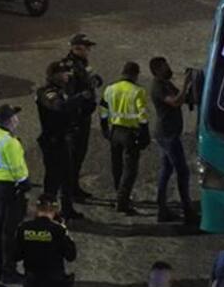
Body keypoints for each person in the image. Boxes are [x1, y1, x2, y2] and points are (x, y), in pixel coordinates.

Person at [35, 60, 89, 221]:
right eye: (65, 73)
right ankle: (46, 213)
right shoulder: (47, 92)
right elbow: (60, 106)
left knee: (67, 177)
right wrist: (80, 97)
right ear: (55, 75)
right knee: (52, 179)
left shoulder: (61, 90)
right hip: (53, 141)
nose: (68, 76)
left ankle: (67, 209)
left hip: (63, 139)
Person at [0, 105, 30, 282]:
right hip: (9, 188)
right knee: (9, 232)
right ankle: (8, 271)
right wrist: (25, 183)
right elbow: (17, 168)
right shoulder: (11, 142)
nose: (17, 119)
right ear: (10, 120)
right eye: (15, 116)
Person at [148, 57, 196, 224]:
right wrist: (186, 83)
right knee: (183, 171)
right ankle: (188, 211)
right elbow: (176, 102)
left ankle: (162, 210)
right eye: (164, 66)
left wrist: (191, 86)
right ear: (157, 70)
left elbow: (183, 98)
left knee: (167, 170)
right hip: (167, 135)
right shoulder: (158, 87)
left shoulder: (166, 84)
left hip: (168, 133)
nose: (168, 68)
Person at [102, 61, 151, 215]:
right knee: (130, 169)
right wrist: (145, 133)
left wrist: (105, 129)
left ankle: (119, 193)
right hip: (131, 133)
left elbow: (103, 110)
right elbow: (142, 115)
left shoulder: (110, 89)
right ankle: (123, 201)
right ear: (135, 75)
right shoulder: (138, 91)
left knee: (117, 165)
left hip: (115, 131)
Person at [62, 33, 100, 199]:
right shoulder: (70, 66)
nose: (89, 50)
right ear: (77, 48)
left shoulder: (81, 64)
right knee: (73, 156)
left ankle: (74, 187)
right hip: (76, 119)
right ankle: (69, 191)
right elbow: (70, 95)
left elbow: (88, 81)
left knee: (79, 155)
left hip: (83, 115)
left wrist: (95, 81)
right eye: (86, 48)